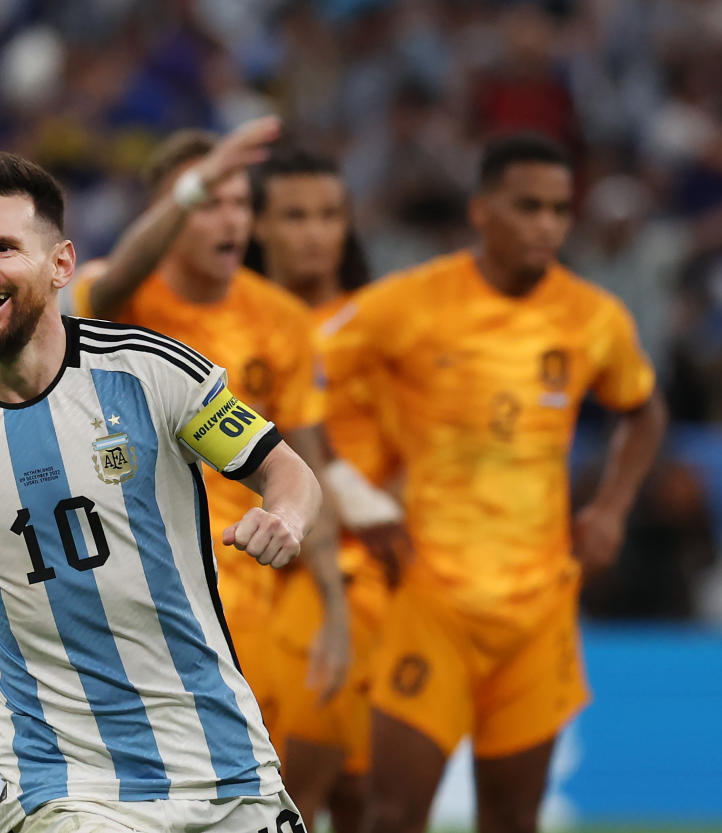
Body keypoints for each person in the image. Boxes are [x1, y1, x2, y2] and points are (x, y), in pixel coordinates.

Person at [0, 151, 320, 833]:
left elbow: (286, 470)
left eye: (4, 247)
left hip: (225, 759)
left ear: (61, 265)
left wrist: (285, 516)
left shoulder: (149, 370)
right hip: (64, 781)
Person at [336, 134, 666, 833]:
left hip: (538, 605)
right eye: (528, 207)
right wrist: (352, 491)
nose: (547, 224)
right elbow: (304, 380)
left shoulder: (592, 317)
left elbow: (644, 411)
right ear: (483, 211)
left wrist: (610, 508)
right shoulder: (411, 303)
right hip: (432, 597)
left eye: (558, 209)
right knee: (391, 814)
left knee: (514, 819)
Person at [70, 119, 364, 731]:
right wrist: (194, 184)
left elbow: (304, 465)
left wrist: (335, 612)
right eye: (209, 203)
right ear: (170, 214)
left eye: (238, 204)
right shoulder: (120, 298)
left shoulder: (280, 320)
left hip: (237, 587)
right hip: (125, 581)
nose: (228, 220)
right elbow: (103, 291)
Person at [249, 149, 402, 832]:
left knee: (347, 797)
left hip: (352, 572)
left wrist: (375, 505)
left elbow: (420, 454)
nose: (315, 232)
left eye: (329, 216)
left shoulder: (379, 327)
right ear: (258, 227)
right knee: (271, 792)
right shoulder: (237, 322)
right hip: (246, 571)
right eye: (295, 216)